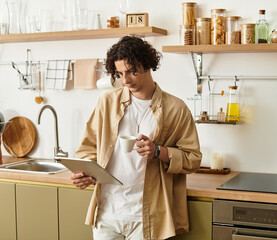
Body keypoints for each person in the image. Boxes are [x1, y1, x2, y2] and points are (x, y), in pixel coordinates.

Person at [71, 36, 202, 240]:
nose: (125, 81)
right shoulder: (107, 102)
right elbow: (87, 149)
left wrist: (159, 151)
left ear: (148, 65)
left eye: (132, 71)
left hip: (149, 217)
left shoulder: (176, 109)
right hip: (108, 213)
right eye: (120, 73)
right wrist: (84, 173)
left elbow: (193, 158)